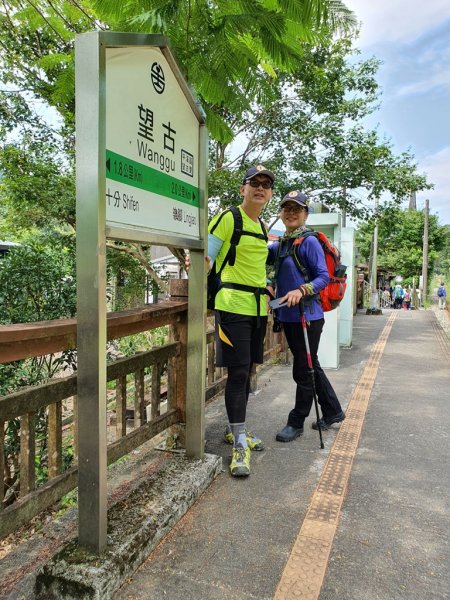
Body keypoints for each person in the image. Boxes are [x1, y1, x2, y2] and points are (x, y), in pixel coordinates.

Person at [207, 165, 274, 477]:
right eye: (254, 183)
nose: (260, 188)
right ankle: (238, 447)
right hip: (232, 306)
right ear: (242, 189)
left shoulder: (261, 226)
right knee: (237, 373)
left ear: (270, 193)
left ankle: (237, 431)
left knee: (246, 370)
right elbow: (206, 258)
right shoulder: (228, 218)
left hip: (258, 308)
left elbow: (255, 267)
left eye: (266, 184)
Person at [267, 191, 345, 442]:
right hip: (288, 316)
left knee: (303, 370)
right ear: (280, 213)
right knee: (311, 367)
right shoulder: (281, 244)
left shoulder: (308, 241)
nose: (291, 213)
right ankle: (333, 410)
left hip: (307, 316)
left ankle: (296, 421)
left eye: (296, 209)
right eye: (286, 208)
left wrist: (302, 290)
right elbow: (264, 261)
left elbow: (322, 276)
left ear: (305, 214)